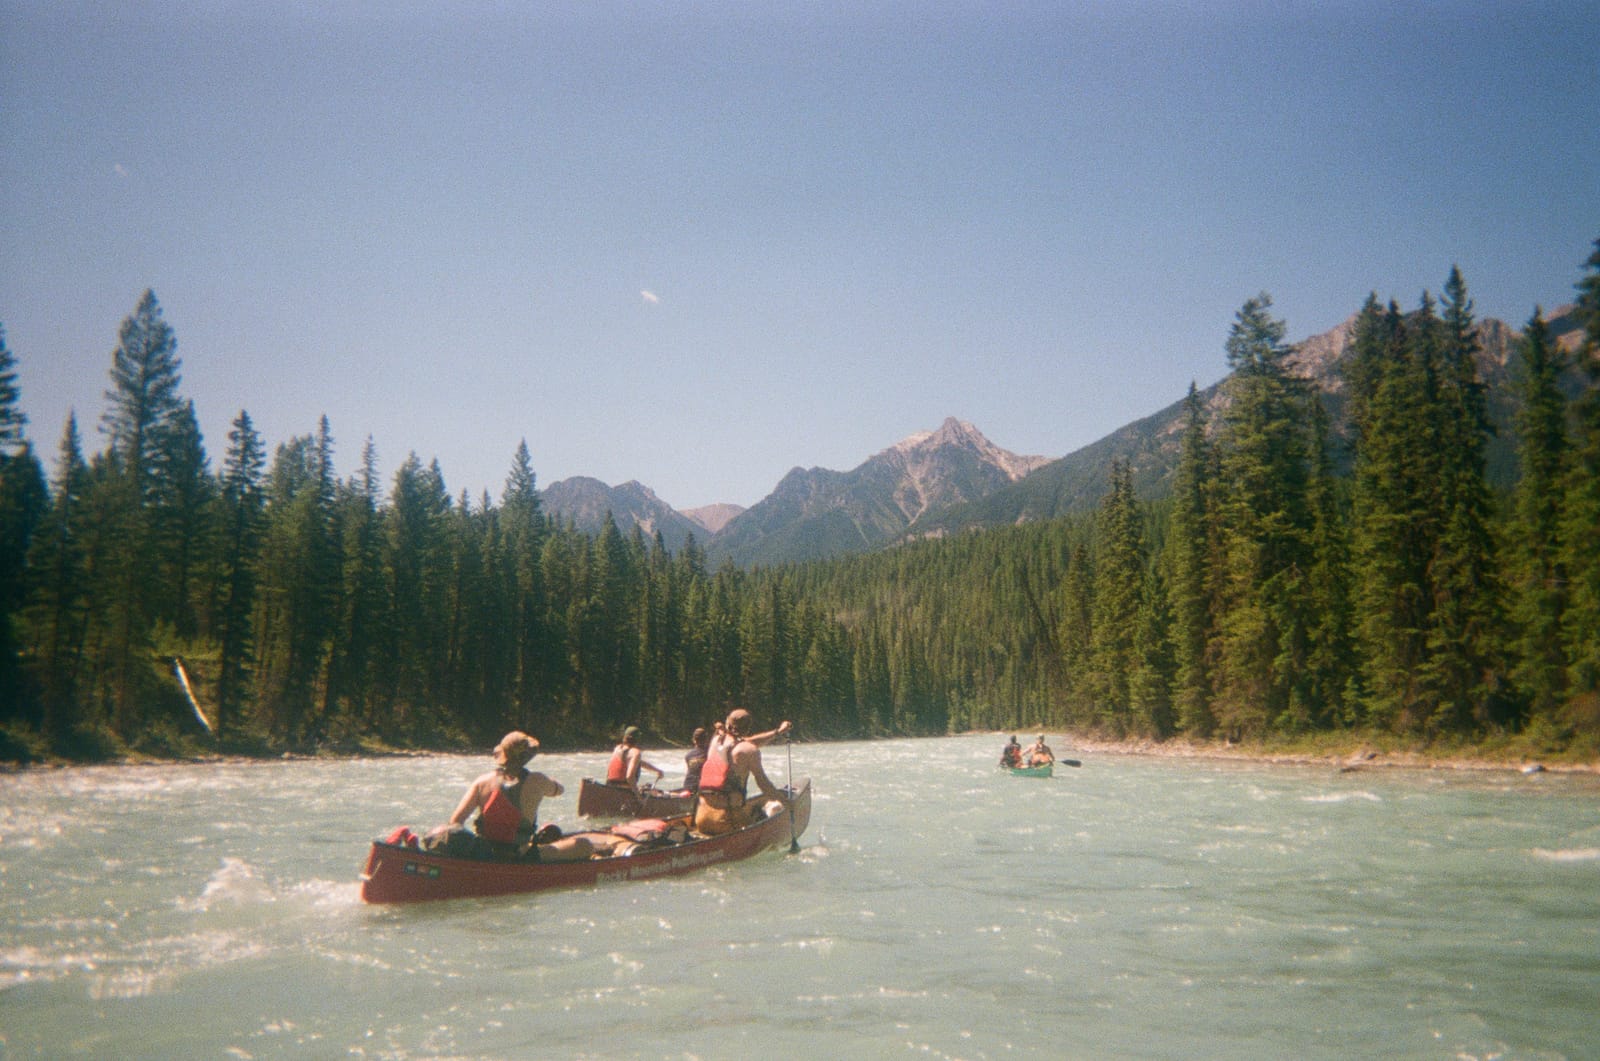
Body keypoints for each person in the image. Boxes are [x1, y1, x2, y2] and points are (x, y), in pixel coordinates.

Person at [427, 731, 563, 859]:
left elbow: (455, 823)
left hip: (485, 853)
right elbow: (559, 790)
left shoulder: (482, 781)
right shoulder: (537, 780)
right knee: (583, 845)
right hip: (519, 854)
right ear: (527, 757)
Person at [693, 708, 791, 837]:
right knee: (771, 808)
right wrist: (787, 804)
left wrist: (777, 732)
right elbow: (764, 786)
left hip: (702, 819)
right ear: (748, 727)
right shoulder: (749, 751)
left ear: (728, 723)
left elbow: (746, 742)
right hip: (727, 822)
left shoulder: (716, 740)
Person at [606, 726, 666, 792]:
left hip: (610, 787)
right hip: (624, 790)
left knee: (647, 788)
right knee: (651, 791)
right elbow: (629, 777)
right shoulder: (635, 752)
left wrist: (657, 770)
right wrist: (638, 797)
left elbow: (639, 763)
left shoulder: (618, 748)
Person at [681, 726, 711, 792]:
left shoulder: (688, 756)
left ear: (693, 740)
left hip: (688, 786)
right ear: (706, 740)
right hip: (703, 787)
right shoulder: (710, 754)